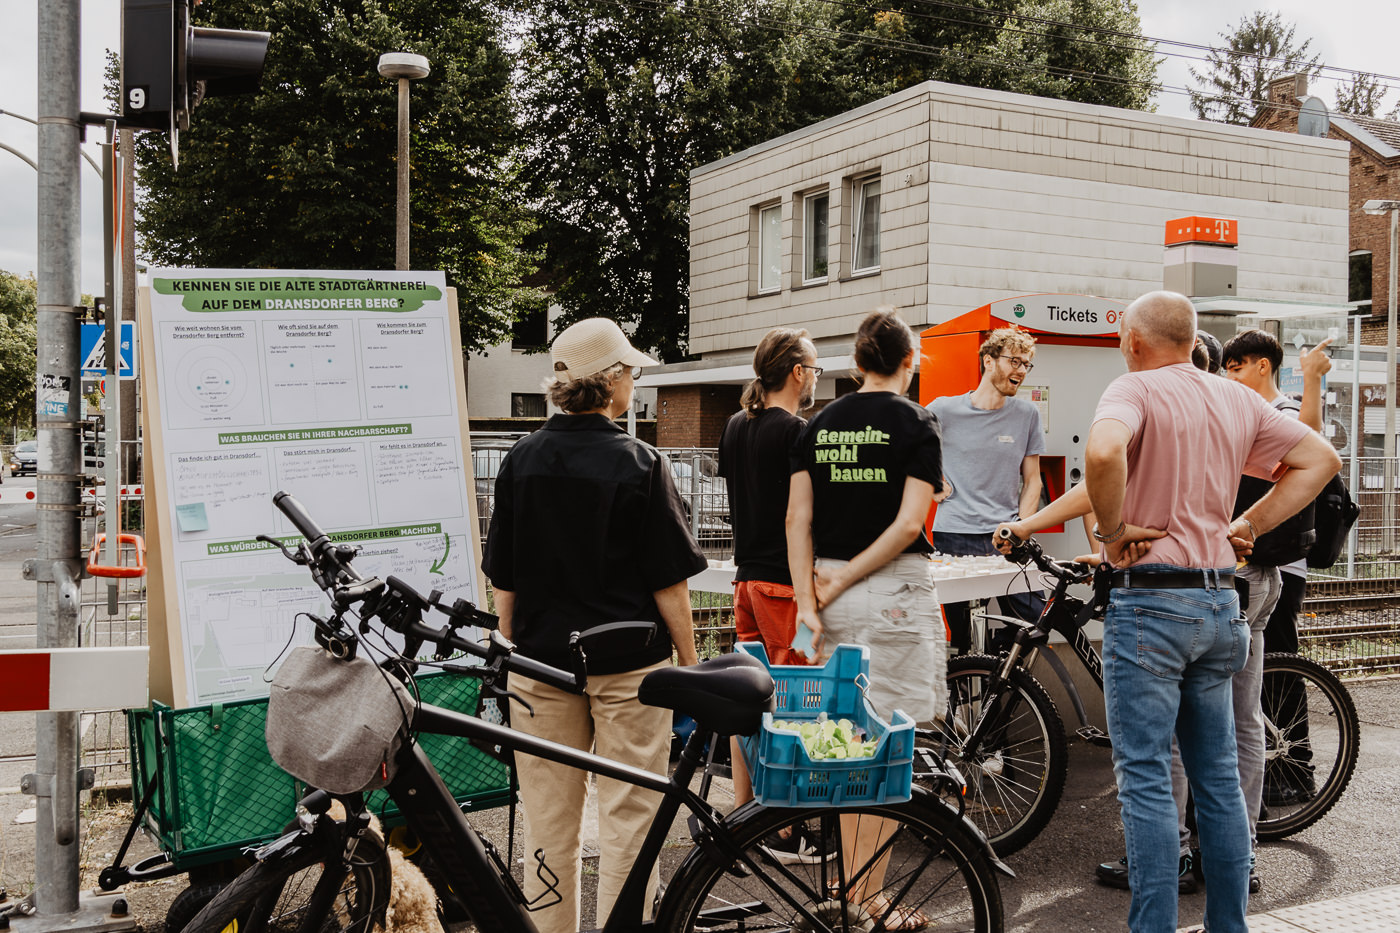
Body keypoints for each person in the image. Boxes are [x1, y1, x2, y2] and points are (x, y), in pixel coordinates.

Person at [1083, 291, 1339, 933]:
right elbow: (1320, 461)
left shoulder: (1132, 391)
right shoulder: (1237, 398)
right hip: (1222, 601)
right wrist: (1247, 523)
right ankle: (1231, 925)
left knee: (1144, 777)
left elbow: (1104, 454)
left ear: (1136, 341)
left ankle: (1154, 927)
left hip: (1152, 605)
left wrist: (1113, 534)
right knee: (1218, 776)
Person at [481, 317, 707, 933]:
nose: (634, 381)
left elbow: (505, 574)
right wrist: (689, 662)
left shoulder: (520, 461)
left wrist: (503, 644)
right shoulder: (639, 462)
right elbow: (669, 583)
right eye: (630, 371)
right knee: (631, 816)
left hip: (539, 664)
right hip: (630, 667)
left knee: (548, 822)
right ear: (608, 382)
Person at [787, 306, 946, 929]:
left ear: (854, 366)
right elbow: (910, 523)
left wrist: (809, 600)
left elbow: (796, 521)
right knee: (888, 748)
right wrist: (849, 577)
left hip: (823, 587)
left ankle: (849, 887)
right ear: (910, 363)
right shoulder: (917, 422)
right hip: (891, 590)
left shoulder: (817, 424)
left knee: (845, 744)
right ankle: (868, 896)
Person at [1222, 331, 1335, 814]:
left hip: (1277, 565)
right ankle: (1276, 776)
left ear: (1262, 366)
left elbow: (1310, 442)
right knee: (1260, 680)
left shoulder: (1280, 411)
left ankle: (1296, 772)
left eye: (1236, 366)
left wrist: (1310, 380)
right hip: (1263, 560)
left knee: (1277, 674)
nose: (1229, 376)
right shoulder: (1248, 413)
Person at [717, 327, 821, 832]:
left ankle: (743, 810)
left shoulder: (736, 424)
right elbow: (802, 516)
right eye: (815, 368)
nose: (816, 378)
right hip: (785, 590)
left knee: (750, 700)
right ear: (798, 372)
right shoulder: (798, 432)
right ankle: (784, 825)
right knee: (793, 702)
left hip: (747, 585)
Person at [927, 327, 1045, 652]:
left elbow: (1033, 480)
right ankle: (972, 690)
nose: (1021, 370)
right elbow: (905, 449)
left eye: (1026, 364)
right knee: (964, 638)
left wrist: (1021, 527)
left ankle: (996, 668)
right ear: (988, 361)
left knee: (1033, 619)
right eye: (1015, 362)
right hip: (954, 535)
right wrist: (932, 479)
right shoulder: (944, 410)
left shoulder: (1027, 415)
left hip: (1006, 535)